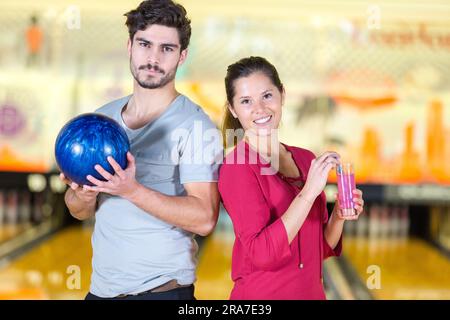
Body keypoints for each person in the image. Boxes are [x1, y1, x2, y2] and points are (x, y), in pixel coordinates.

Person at [60, 0, 222, 300]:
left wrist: (131, 190)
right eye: (145, 44)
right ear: (130, 46)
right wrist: (82, 195)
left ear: (182, 56)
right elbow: (79, 211)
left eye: (167, 48)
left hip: (161, 292)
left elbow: (205, 218)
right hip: (101, 291)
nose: (153, 57)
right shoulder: (101, 121)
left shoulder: (197, 125)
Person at [218, 56, 365, 300]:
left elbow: (319, 249)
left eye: (267, 96)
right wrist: (308, 192)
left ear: (282, 94)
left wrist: (339, 215)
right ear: (233, 109)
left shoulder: (306, 159)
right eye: (246, 101)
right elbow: (262, 253)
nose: (260, 109)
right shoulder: (237, 168)